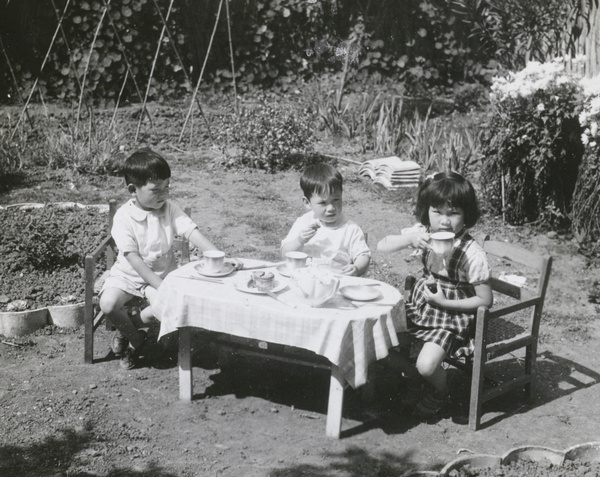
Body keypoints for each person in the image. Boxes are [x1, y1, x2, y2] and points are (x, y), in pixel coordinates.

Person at [100, 147, 237, 370]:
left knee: (165, 307)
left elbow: (192, 232)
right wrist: (161, 287)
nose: (164, 195)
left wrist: (218, 257)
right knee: (108, 303)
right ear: (133, 189)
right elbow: (133, 258)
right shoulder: (124, 217)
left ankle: (129, 330)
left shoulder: (169, 209)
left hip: (163, 274)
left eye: (167, 187)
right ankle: (137, 339)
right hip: (129, 274)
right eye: (156, 190)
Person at [377, 171, 493, 419]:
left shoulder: (472, 253)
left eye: (453, 213)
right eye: (437, 212)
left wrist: (444, 301)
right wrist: (410, 238)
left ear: (466, 214)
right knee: (377, 336)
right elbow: (382, 246)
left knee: (427, 364)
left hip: (451, 317)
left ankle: (441, 390)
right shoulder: (424, 233)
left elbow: (485, 300)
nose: (444, 221)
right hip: (422, 307)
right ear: (426, 211)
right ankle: (412, 377)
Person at [281, 163, 370, 276]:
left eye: (336, 200)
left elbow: (363, 255)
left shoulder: (350, 229)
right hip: (303, 278)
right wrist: (299, 241)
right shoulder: (304, 222)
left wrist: (357, 267)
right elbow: (285, 253)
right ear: (307, 203)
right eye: (323, 203)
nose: (331, 208)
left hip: (336, 281)